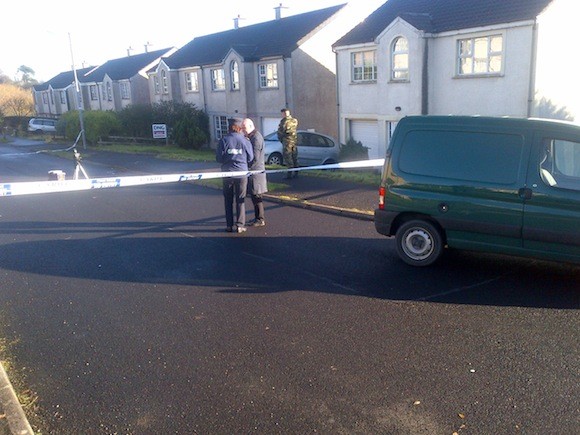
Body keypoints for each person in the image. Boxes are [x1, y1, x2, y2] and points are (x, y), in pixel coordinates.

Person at [216, 118, 254, 233]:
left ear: (229, 127)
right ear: (239, 128)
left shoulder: (224, 140)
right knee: (240, 199)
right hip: (242, 173)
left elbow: (219, 158)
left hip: (227, 173)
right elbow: (251, 157)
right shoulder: (245, 140)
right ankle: (240, 225)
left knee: (228, 199)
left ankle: (229, 225)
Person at [242, 118, 268, 227]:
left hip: (256, 173)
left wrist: (245, 165)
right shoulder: (252, 137)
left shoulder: (256, 138)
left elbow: (254, 158)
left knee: (257, 197)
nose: (243, 130)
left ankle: (260, 219)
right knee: (254, 197)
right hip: (254, 173)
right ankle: (258, 218)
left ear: (251, 126)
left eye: (244, 128)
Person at [277, 107, 298, 179]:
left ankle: (289, 173)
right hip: (294, 141)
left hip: (287, 141)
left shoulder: (284, 121)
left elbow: (280, 132)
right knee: (294, 156)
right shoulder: (294, 120)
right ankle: (296, 172)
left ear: (284, 113)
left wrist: (281, 139)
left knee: (288, 156)